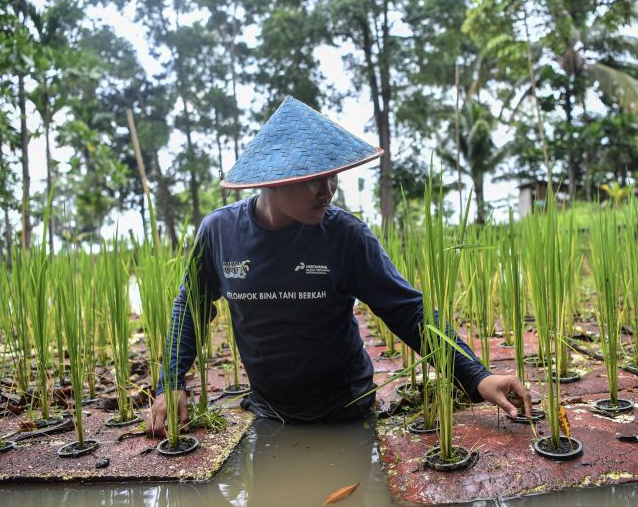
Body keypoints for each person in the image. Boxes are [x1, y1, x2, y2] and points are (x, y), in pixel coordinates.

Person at [146, 96, 531, 434]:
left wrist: (477, 375)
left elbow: (407, 310)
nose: (328, 190)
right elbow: (191, 306)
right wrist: (170, 383)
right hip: (268, 411)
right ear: (273, 180)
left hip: (347, 409)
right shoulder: (219, 232)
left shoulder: (345, 235)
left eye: (332, 177)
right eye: (315, 179)